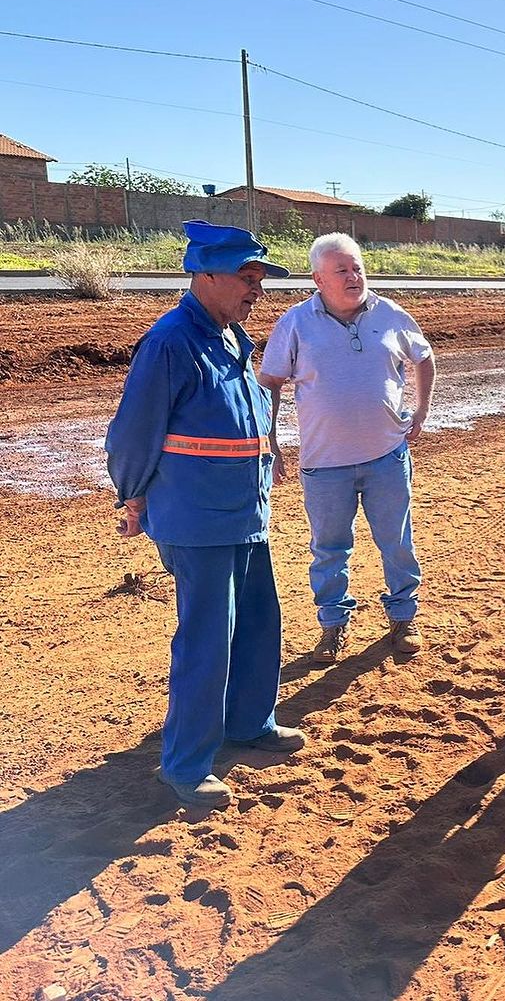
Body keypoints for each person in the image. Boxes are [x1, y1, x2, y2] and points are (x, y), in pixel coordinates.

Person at [105, 220, 305, 809]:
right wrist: (133, 494)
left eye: (261, 278)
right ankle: (187, 764)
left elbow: (248, 412)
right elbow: (131, 435)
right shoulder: (171, 342)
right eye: (248, 278)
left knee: (259, 624)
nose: (257, 291)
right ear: (206, 276)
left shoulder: (233, 338)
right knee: (206, 640)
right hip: (196, 518)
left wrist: (270, 455)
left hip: (245, 509)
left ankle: (250, 722)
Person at [258, 233, 435, 663]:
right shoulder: (296, 323)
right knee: (329, 548)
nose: (354, 276)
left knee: (396, 541)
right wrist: (273, 442)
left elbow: (424, 357)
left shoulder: (389, 313)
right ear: (318, 279)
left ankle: (403, 616)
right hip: (324, 465)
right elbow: (270, 383)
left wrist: (422, 410)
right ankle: (333, 626)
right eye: (342, 270)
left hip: (387, 458)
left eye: (357, 267)